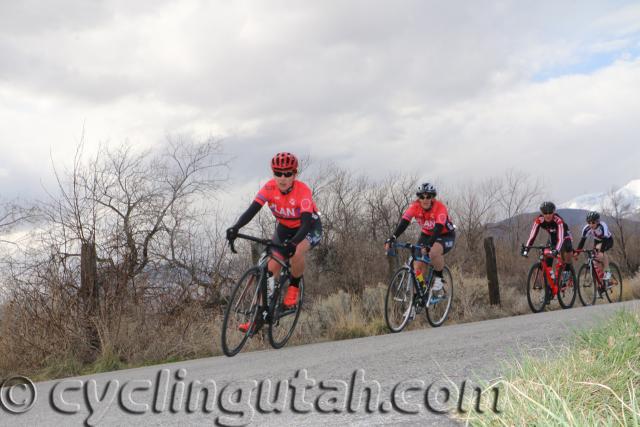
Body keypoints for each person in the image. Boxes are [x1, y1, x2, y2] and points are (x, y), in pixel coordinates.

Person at [226, 152, 322, 332]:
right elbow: (252, 210)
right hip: (284, 228)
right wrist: (236, 227)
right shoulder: (269, 188)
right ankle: (258, 317)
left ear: (295, 174)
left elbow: (307, 221)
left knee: (297, 251)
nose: (283, 178)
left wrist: (294, 243)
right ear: (273, 174)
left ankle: (293, 289)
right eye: (278, 173)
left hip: (308, 228)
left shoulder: (303, 191)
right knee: (268, 270)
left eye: (287, 174)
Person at [384, 182, 456, 292]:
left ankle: (439, 278)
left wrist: (429, 246)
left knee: (433, 252)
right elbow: (404, 222)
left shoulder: (440, 207)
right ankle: (419, 293)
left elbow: (438, 228)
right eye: (422, 197)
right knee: (417, 266)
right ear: (419, 198)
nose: (425, 199)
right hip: (427, 234)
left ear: (433, 198)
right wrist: (392, 237)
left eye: (428, 196)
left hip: (444, 234)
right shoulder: (415, 206)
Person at [522, 201, 574, 284]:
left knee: (566, 253)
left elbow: (560, 239)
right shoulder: (539, 220)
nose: (548, 215)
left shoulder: (558, 220)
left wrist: (556, 250)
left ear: (553, 212)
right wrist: (526, 249)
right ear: (542, 213)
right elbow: (532, 236)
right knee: (547, 258)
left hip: (564, 236)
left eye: (550, 213)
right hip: (553, 237)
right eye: (545, 213)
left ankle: (567, 272)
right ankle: (552, 282)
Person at [575, 211, 614, 285]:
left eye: (593, 222)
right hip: (597, 241)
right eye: (589, 222)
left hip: (608, 240)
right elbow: (582, 241)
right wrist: (577, 252)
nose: (591, 224)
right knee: (595, 260)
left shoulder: (603, 225)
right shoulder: (586, 228)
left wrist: (602, 252)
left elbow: (605, 239)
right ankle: (603, 279)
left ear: (597, 221)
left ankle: (608, 272)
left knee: (599, 250)